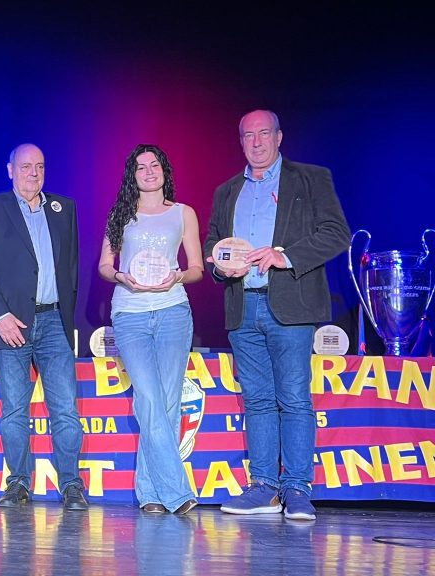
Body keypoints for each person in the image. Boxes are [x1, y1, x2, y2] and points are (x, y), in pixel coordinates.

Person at [204, 110, 350, 521]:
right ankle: (264, 488)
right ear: (240, 141)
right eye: (248, 135)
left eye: (264, 133)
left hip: (291, 304)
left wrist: (284, 256)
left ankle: (297, 489)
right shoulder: (227, 191)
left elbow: (336, 234)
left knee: (294, 398)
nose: (256, 142)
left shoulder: (311, 178)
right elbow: (214, 242)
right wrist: (221, 266)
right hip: (242, 305)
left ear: (279, 137)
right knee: (257, 400)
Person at [0, 143, 88, 511]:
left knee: (65, 409)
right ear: (10, 170)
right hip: (11, 325)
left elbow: (71, 268)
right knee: (15, 411)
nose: (33, 173)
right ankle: (18, 482)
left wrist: (66, 317)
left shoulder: (63, 208)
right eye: (25, 167)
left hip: (54, 322)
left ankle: (71, 485)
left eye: (39, 166)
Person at [97, 144, 203, 514]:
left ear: (164, 170)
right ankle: (177, 492)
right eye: (140, 167)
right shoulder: (120, 214)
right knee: (150, 399)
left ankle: (150, 494)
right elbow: (104, 265)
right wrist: (121, 276)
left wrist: (178, 276)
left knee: (168, 403)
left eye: (154, 164)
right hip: (131, 314)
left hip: (173, 311)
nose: (148, 171)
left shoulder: (183, 213)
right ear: (132, 175)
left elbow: (196, 268)